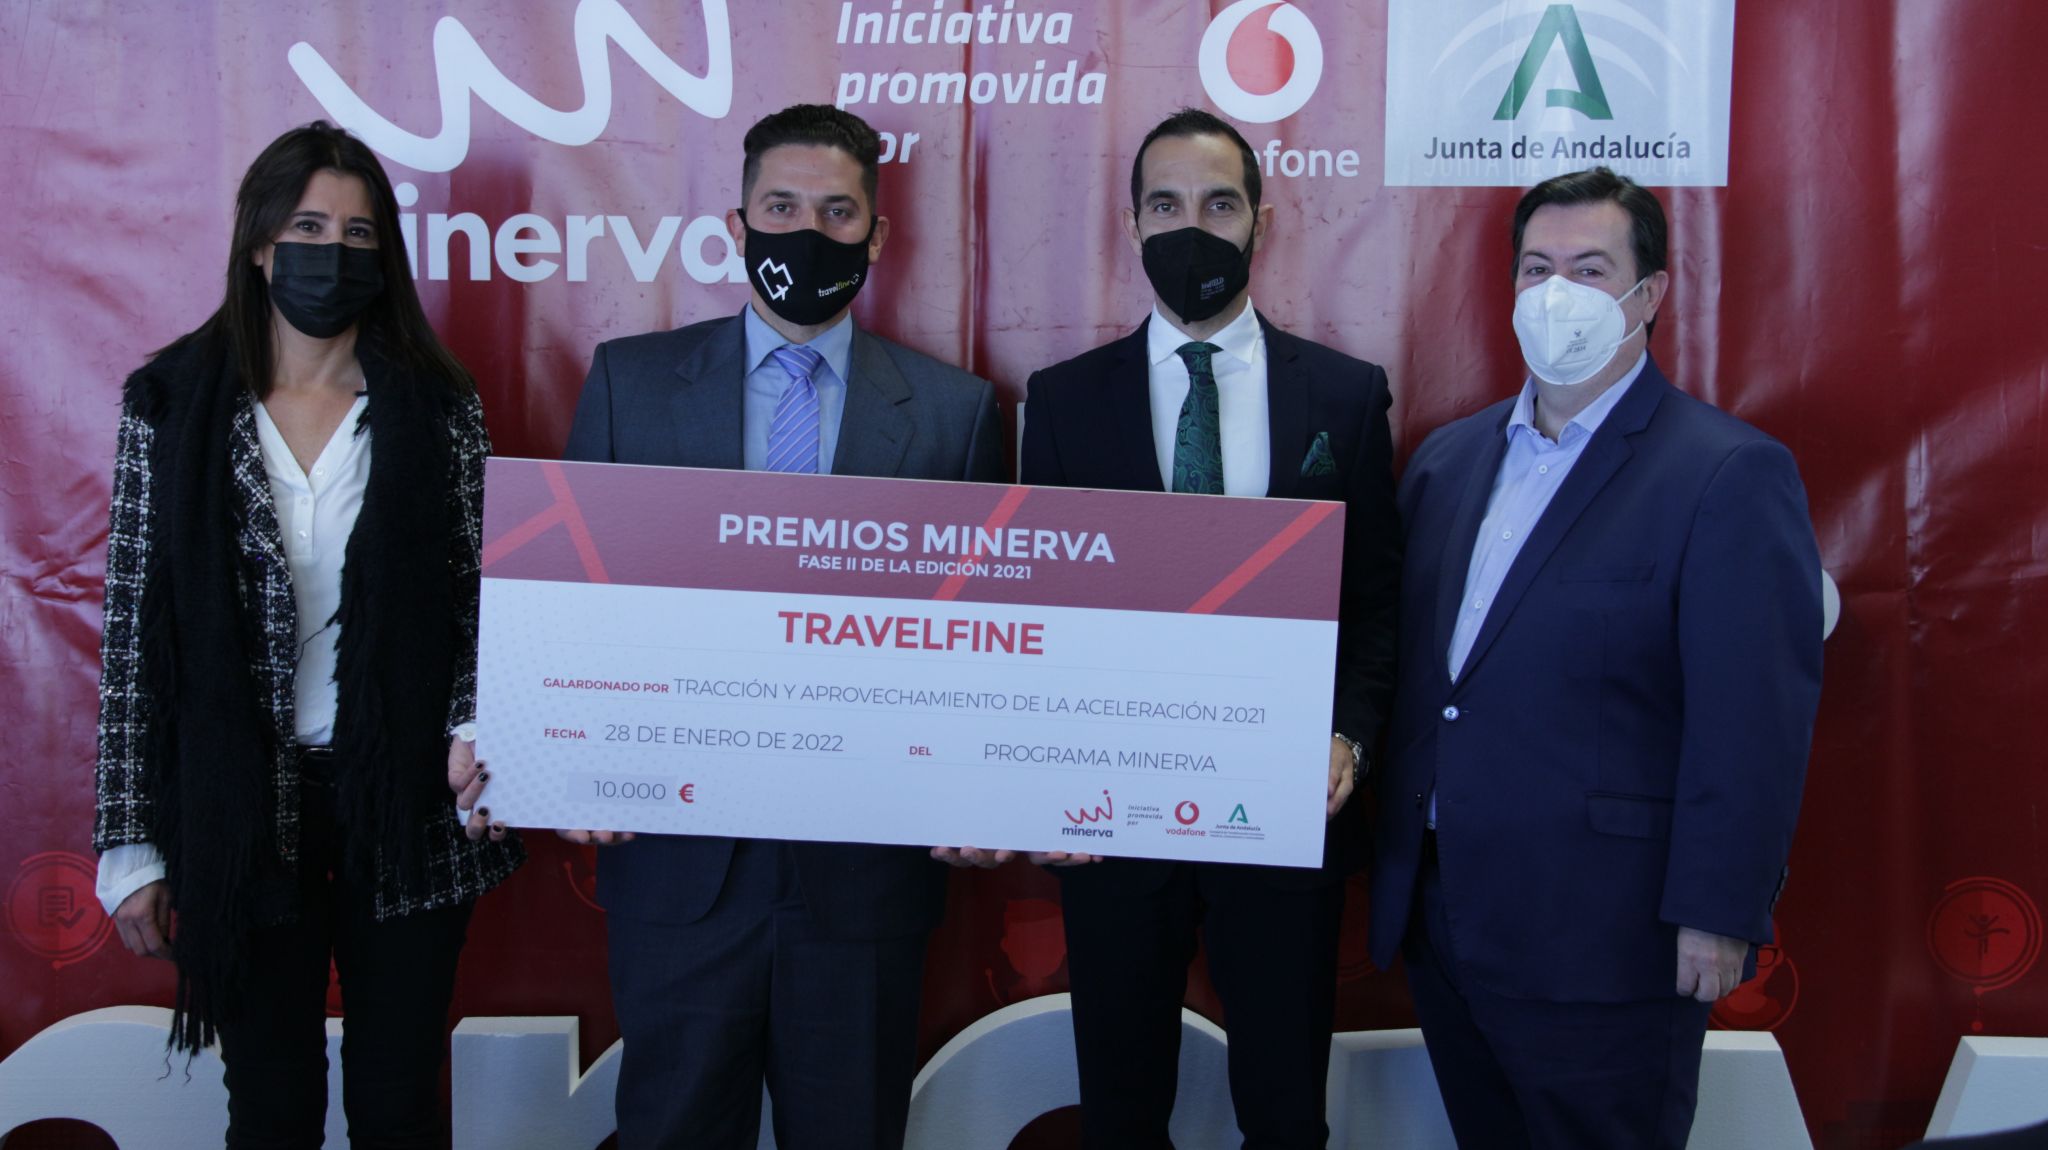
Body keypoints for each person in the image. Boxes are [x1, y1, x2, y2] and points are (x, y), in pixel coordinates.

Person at [557, 103, 1005, 1150]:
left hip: (865, 877)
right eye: (782, 208)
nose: (809, 231)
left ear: (876, 235)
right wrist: (567, 753)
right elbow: (576, 602)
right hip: (676, 862)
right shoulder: (630, 385)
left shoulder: (956, 413)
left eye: (837, 212)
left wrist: (982, 785)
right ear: (738, 224)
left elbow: (981, 639)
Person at [1369, 166, 1824, 1149]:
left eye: (1588, 269)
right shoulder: (1446, 461)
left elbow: (1752, 718)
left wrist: (1717, 908)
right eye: (1537, 268)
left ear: (1648, 294)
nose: (1556, 293)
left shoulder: (1726, 472)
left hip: (1609, 934)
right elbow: (1427, 682)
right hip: (1446, 914)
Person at [92, 120, 523, 1148]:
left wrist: (477, 726)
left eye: (359, 233)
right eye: (309, 229)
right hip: (242, 804)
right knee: (271, 1103)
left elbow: (483, 596)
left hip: (407, 798)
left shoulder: (439, 405)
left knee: (397, 1099)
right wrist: (129, 840)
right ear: (258, 246)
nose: (335, 252)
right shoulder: (171, 402)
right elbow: (136, 634)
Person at [1018, 107, 1401, 1149]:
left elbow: (1374, 601)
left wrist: (1349, 735)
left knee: (1285, 1113)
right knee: (1120, 1113)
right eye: (1166, 205)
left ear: (1260, 223)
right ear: (1132, 224)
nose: (1192, 228)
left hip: (1283, 805)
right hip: (1111, 816)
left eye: (1219, 204)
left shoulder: (1344, 396)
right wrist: (1039, 779)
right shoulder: (1061, 402)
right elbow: (1038, 617)